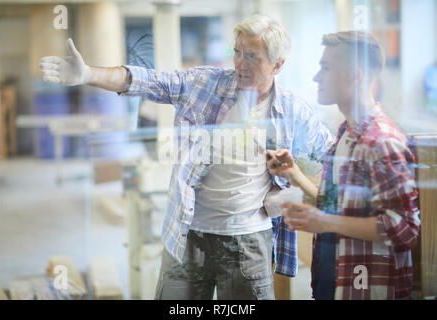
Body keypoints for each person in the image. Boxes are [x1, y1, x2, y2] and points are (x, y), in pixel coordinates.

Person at [40, 14, 334, 300]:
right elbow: (148, 81)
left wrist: (302, 183)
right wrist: (89, 74)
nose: (241, 64)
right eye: (237, 52)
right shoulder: (205, 83)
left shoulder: (293, 111)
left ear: (278, 64)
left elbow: (332, 158)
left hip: (249, 241)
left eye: (253, 56)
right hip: (188, 234)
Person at [266, 31, 420, 300]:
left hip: (365, 288)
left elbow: (404, 228)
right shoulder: (346, 133)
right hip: (334, 278)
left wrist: (325, 221)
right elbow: (340, 206)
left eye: (325, 68)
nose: (317, 77)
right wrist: (295, 174)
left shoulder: (382, 142)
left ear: (355, 76)